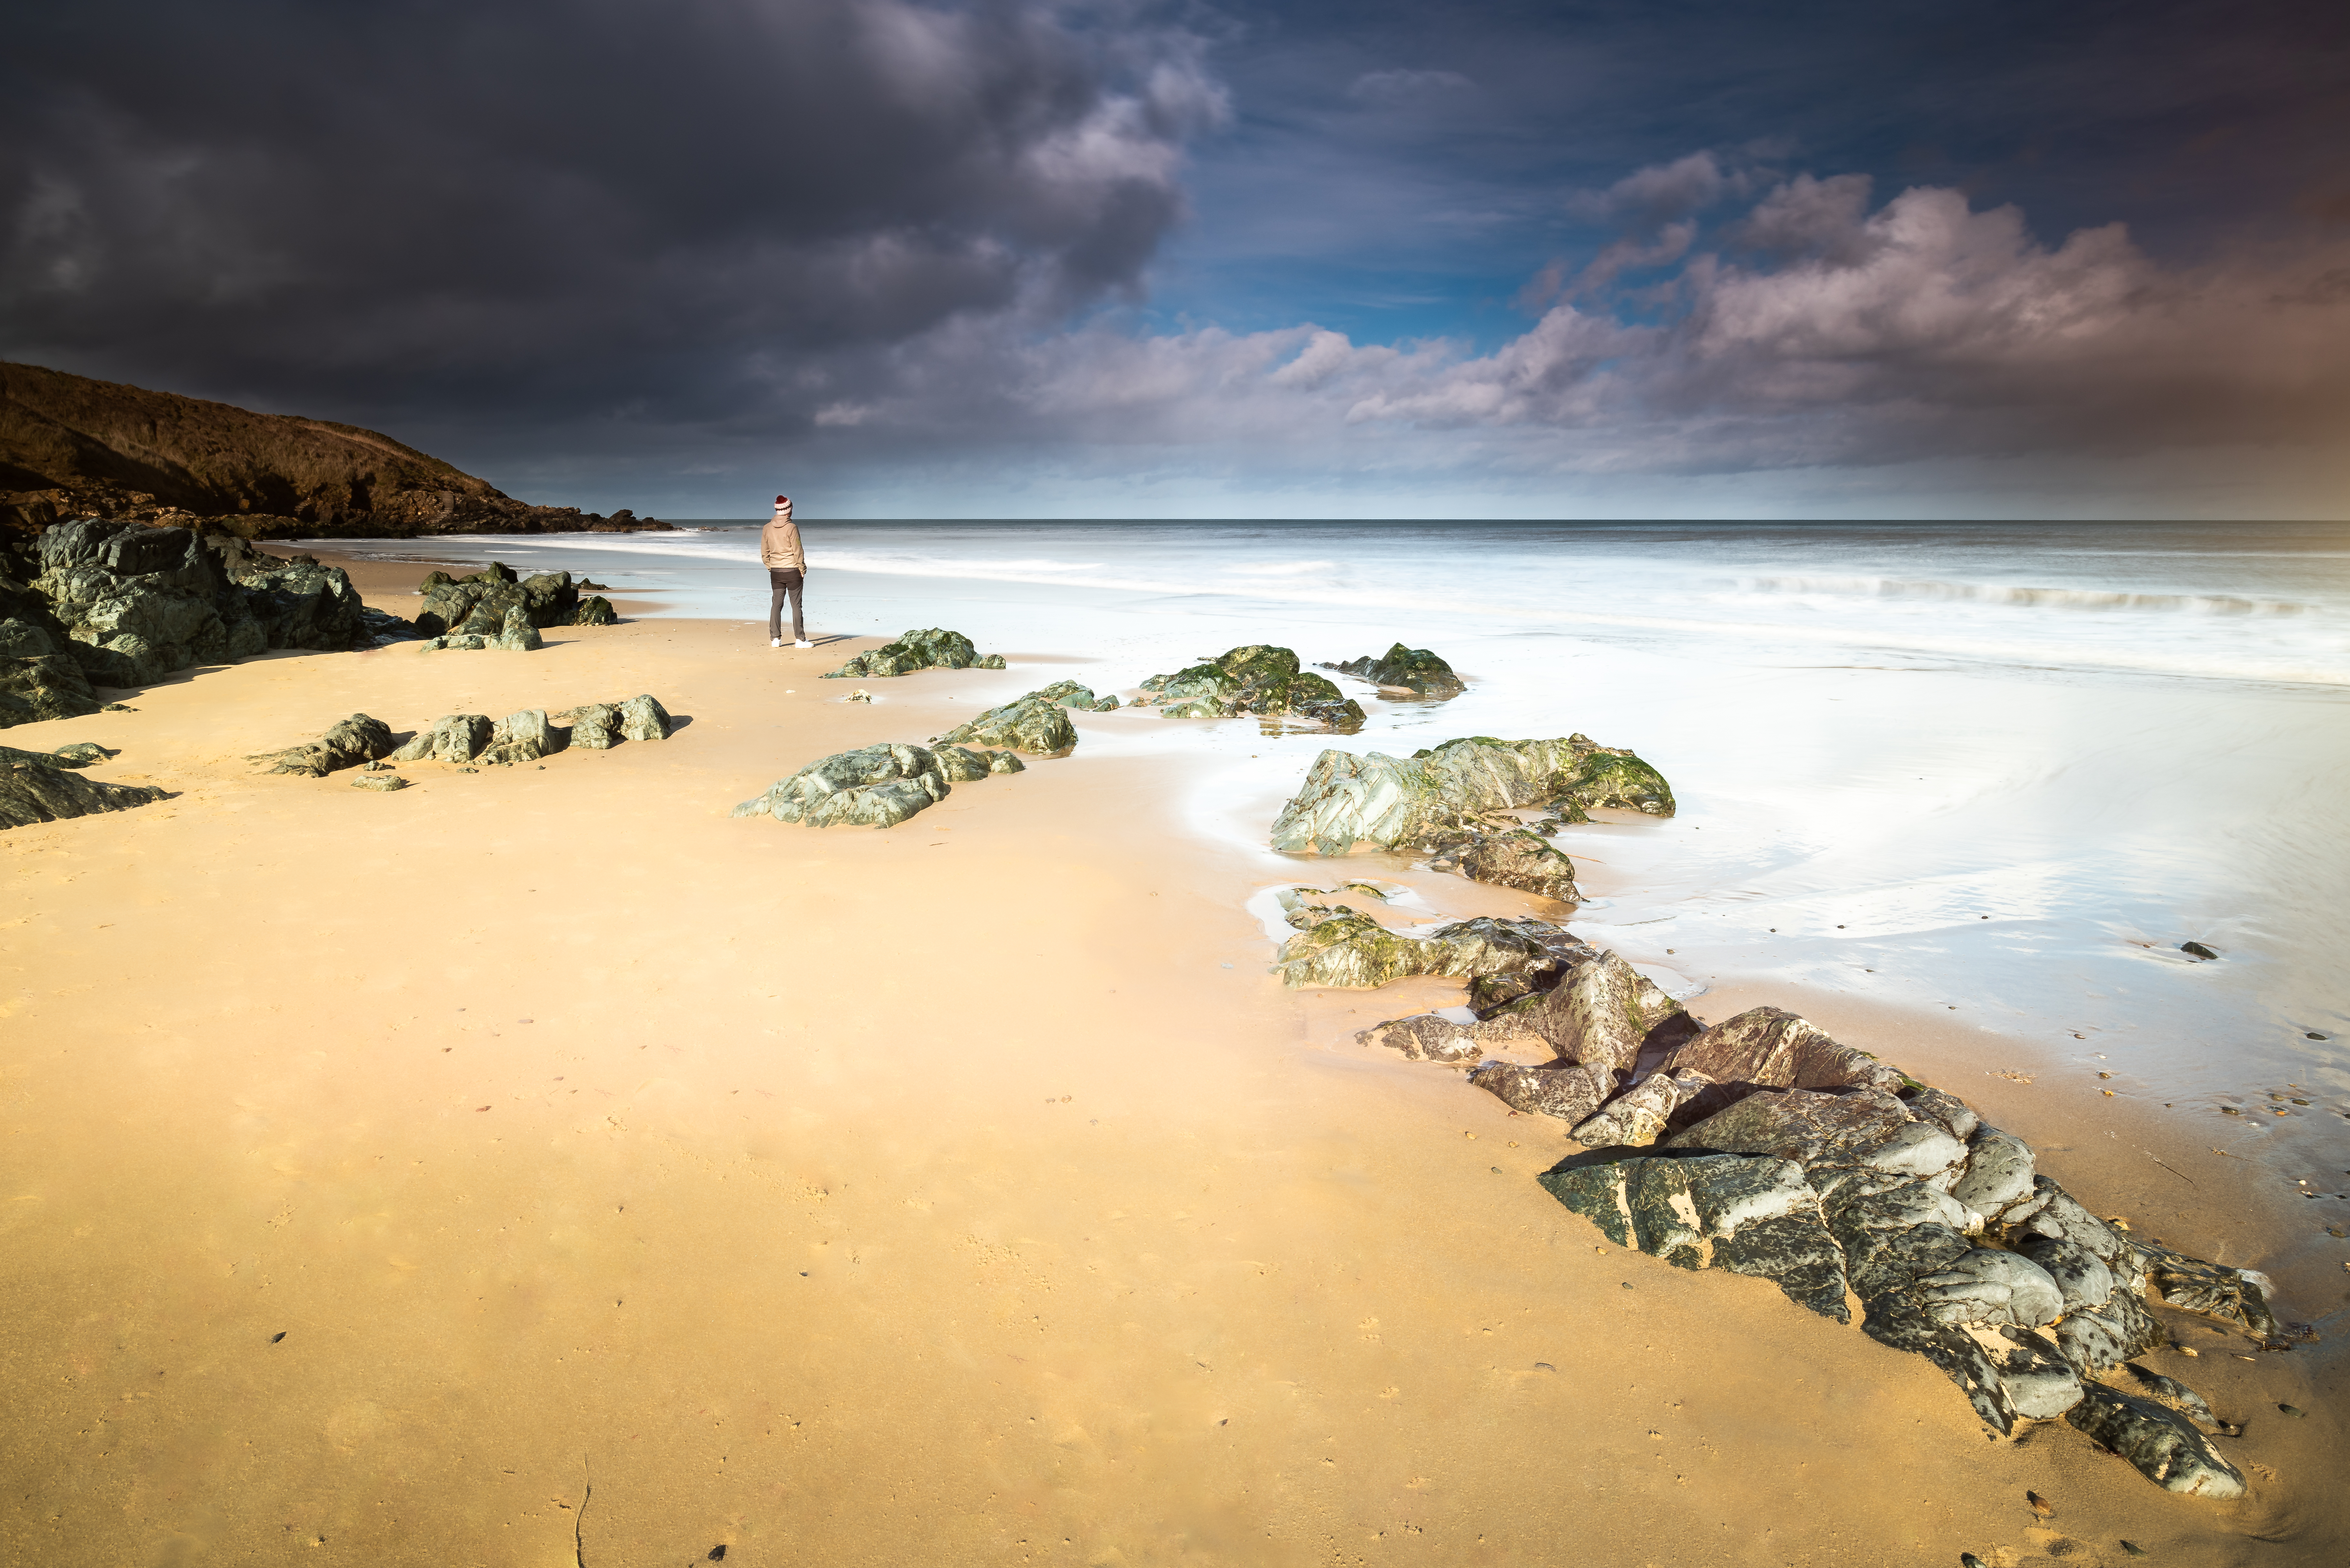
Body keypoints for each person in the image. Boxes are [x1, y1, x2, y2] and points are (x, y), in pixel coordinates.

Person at [761, 495, 810, 647]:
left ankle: (775, 639)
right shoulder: (792, 528)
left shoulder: (767, 528)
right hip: (793, 571)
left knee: (777, 604)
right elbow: (798, 550)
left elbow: (765, 552)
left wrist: (771, 567)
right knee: (796, 606)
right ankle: (800, 640)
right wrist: (802, 569)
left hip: (776, 572)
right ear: (789, 511)